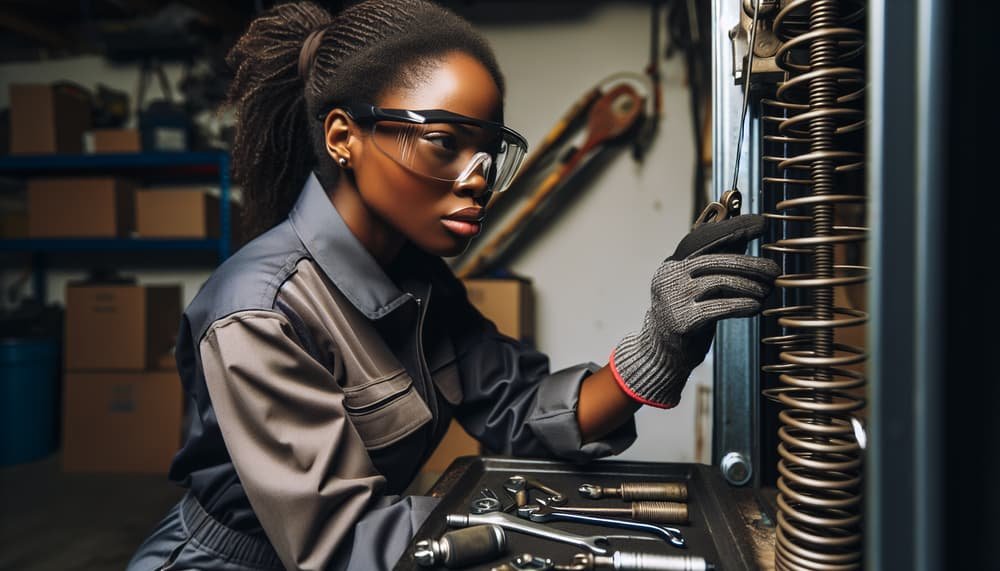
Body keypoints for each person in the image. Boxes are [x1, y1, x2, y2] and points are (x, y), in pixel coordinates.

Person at [126, 1, 779, 570]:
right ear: (343, 137)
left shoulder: (419, 282)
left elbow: (523, 407)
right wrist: (547, 537)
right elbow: (348, 541)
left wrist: (659, 344)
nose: (477, 178)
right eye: (443, 142)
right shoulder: (259, 313)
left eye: (488, 153)